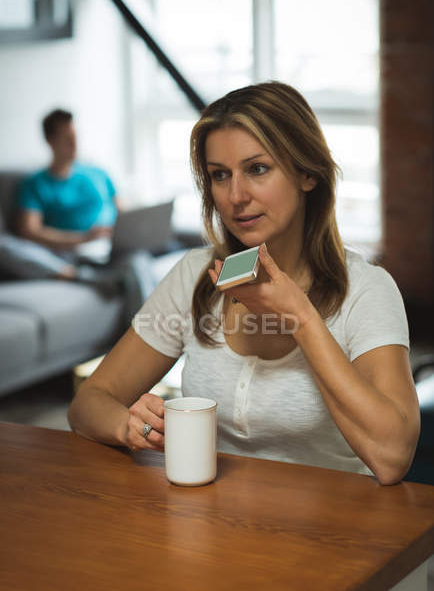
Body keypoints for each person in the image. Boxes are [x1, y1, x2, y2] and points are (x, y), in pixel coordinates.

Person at [68, 82, 420, 485]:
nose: (236, 196)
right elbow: (87, 405)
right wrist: (129, 426)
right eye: (220, 175)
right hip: (216, 529)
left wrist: (301, 318)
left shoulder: (367, 291)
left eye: (257, 169)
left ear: (307, 173)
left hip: (333, 534)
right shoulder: (195, 276)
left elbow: (393, 457)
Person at [0, 109, 155, 317]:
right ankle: (81, 276)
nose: (74, 144)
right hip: (62, 255)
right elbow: (28, 231)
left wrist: (123, 232)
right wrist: (81, 239)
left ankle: (150, 338)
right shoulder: (34, 183)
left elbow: (125, 214)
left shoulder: (97, 172)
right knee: (6, 246)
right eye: (67, 139)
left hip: (107, 248)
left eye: (75, 137)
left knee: (137, 260)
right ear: (50, 141)